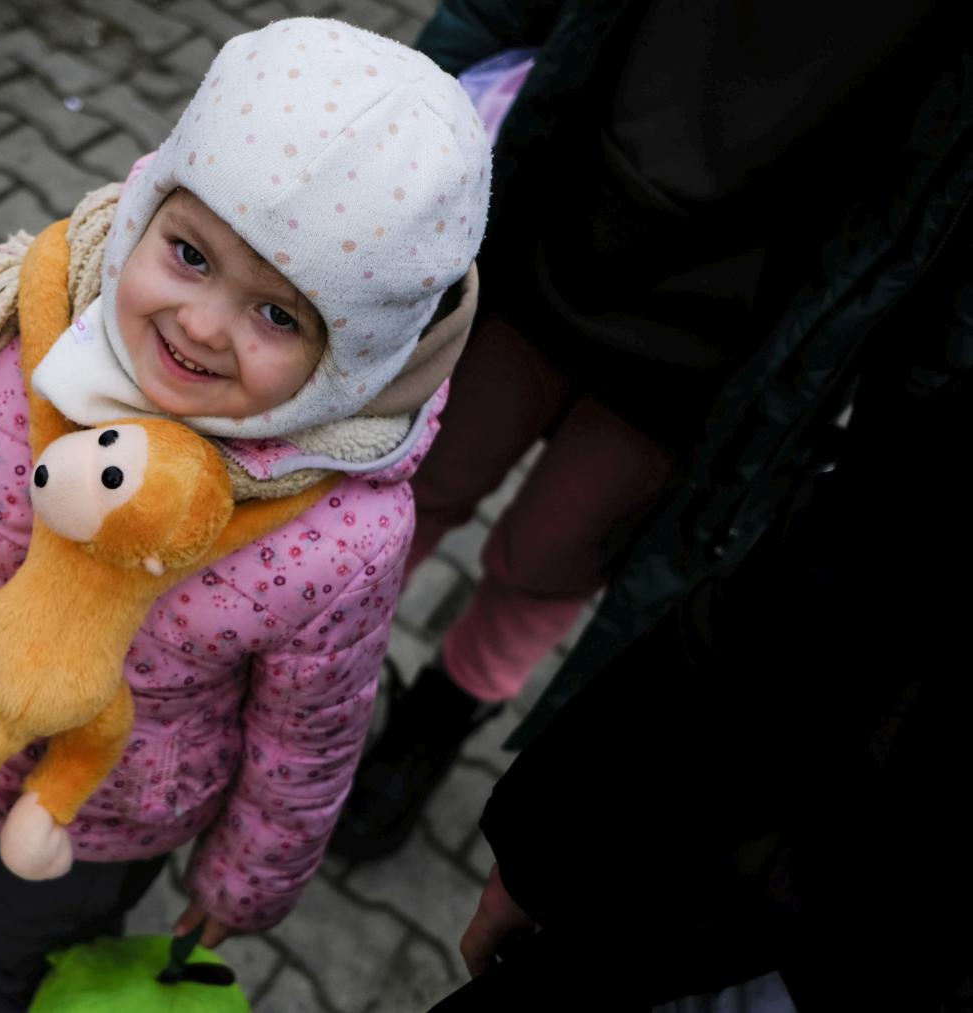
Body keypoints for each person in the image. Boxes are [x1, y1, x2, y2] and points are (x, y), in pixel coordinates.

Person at [0, 18, 493, 1011]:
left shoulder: (340, 529)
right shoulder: (37, 308)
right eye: (189, 254)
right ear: (150, 208)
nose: (200, 322)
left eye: (278, 315)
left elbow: (306, 734)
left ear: (354, 358)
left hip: (91, 809)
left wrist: (243, 880)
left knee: (17, 950)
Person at [330, 0, 956, 861]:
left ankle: (439, 715)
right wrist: (397, 96)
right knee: (416, 476)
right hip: (559, 207)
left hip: (743, 337)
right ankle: (313, 678)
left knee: (555, 554)